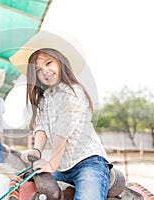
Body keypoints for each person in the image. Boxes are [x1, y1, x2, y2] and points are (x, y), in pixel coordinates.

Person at [20, 48, 112, 200]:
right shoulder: (44, 99)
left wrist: (52, 164)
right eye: (38, 70)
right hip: (63, 167)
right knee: (32, 189)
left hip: (88, 162)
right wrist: (37, 150)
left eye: (49, 63)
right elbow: (41, 126)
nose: (45, 71)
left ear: (61, 63)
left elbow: (63, 131)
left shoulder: (73, 91)